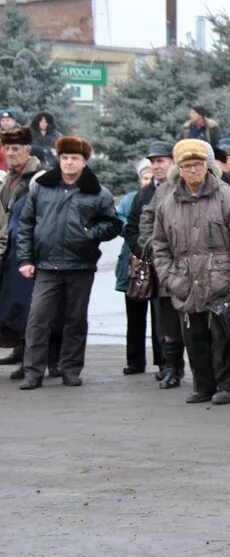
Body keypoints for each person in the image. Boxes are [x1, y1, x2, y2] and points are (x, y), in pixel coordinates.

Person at [152, 139, 230, 405]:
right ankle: (203, 386)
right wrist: (169, 279)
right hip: (185, 282)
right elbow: (160, 247)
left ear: (208, 166)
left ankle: (228, 387)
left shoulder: (228, 196)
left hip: (222, 282)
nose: (193, 170)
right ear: (179, 169)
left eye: (198, 164)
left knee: (223, 340)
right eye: (187, 165)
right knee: (194, 339)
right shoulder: (168, 203)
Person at [17, 137, 120, 389]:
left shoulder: (97, 192)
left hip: (80, 266)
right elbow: (26, 225)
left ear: (84, 162)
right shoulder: (42, 187)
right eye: (65, 158)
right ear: (59, 160)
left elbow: (112, 224)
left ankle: (71, 369)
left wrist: (89, 234)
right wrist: (25, 259)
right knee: (38, 319)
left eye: (75, 158)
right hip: (46, 265)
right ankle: (33, 371)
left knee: (75, 320)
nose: (69, 163)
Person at [125, 141, 180, 387]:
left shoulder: (178, 187)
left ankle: (178, 366)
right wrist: (145, 247)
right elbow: (135, 225)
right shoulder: (146, 192)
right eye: (153, 162)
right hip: (157, 263)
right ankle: (169, 367)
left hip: (185, 262)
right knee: (164, 317)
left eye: (161, 161)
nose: (156, 166)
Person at [0, 126, 45, 377]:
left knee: (27, 305)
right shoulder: (9, 178)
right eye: (7, 148)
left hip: (26, 249)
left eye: (15, 148)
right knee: (11, 302)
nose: (10, 153)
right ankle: (20, 348)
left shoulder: (37, 178)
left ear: (28, 150)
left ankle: (31, 358)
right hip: (9, 247)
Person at [116, 158, 155, 375]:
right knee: (135, 316)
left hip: (154, 262)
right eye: (145, 176)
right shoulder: (132, 199)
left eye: (151, 176)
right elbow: (123, 223)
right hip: (133, 264)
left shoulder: (160, 194)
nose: (148, 180)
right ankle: (135, 360)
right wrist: (138, 245)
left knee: (159, 317)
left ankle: (164, 361)